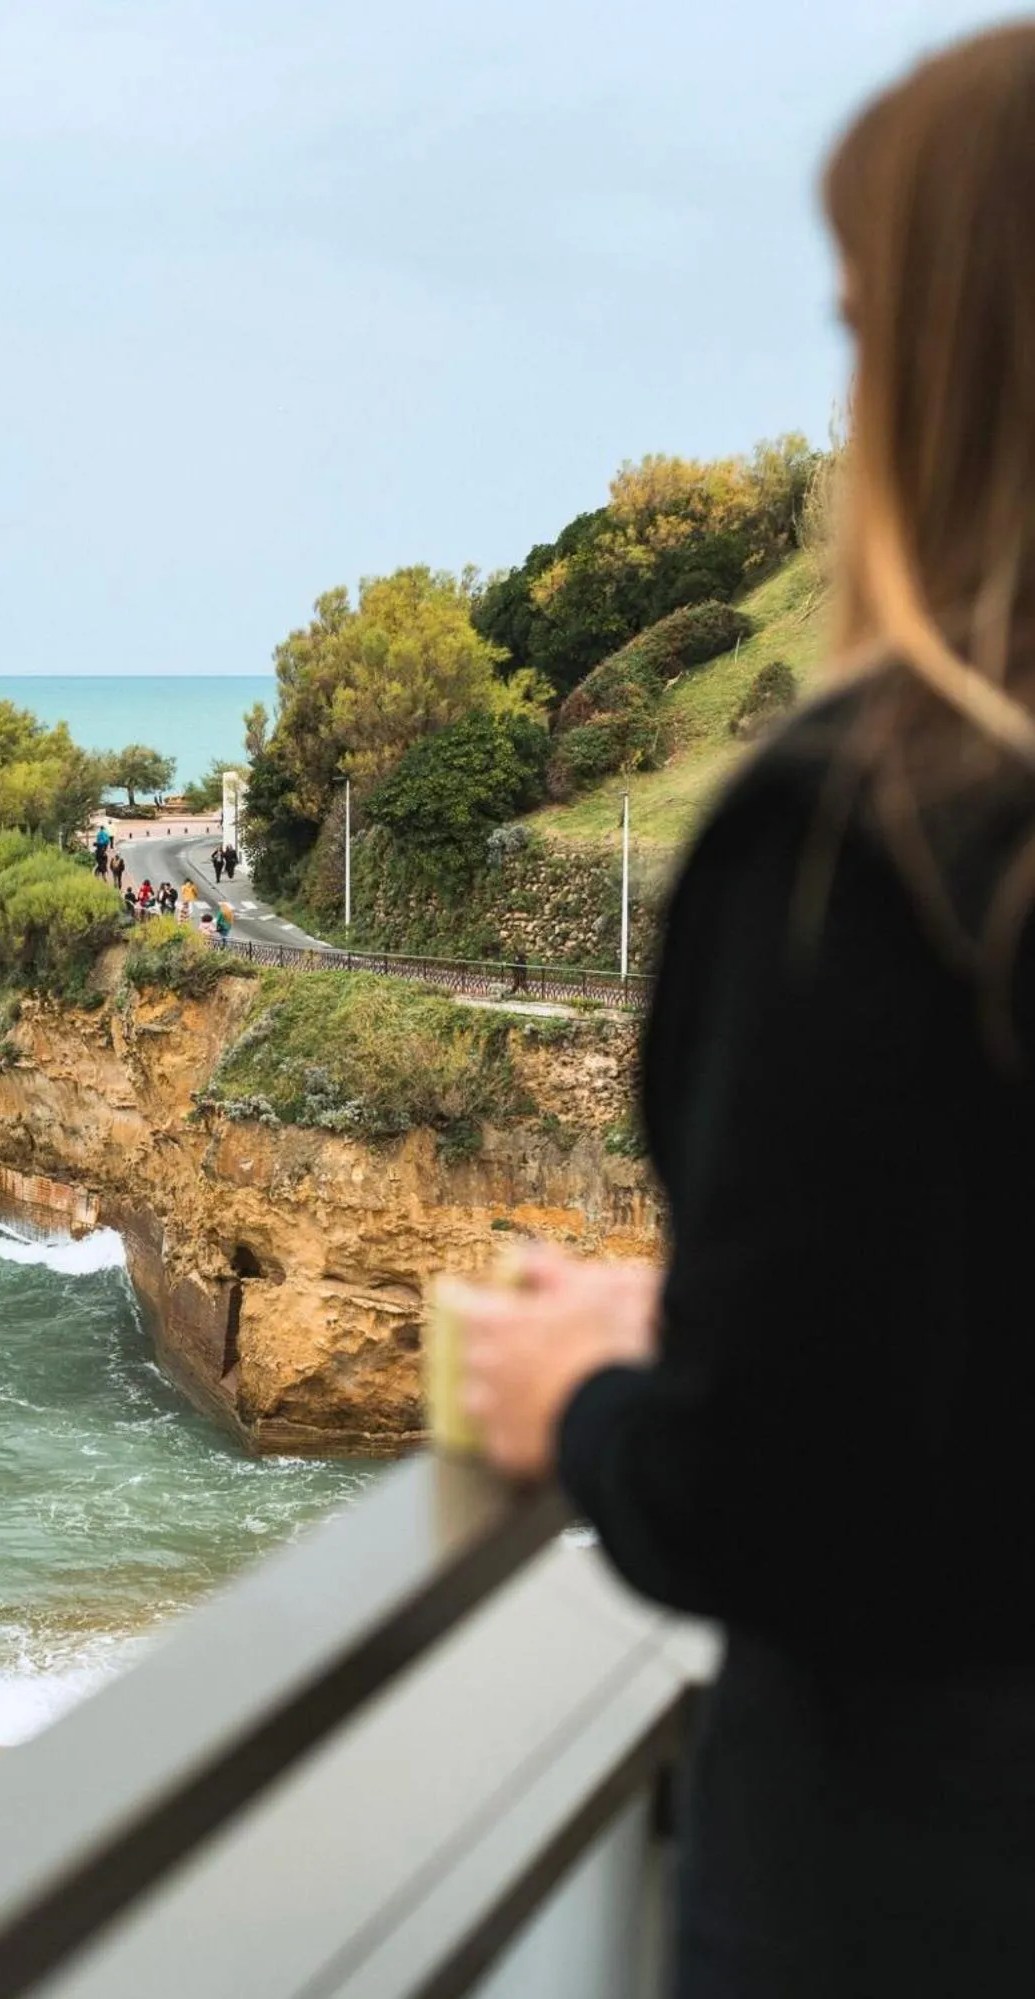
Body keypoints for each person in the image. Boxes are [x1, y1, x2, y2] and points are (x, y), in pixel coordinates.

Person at [455, 28, 1035, 1999]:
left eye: (867, 324)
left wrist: (595, 1403)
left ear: (947, 374)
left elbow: (788, 1500)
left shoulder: (866, 843)